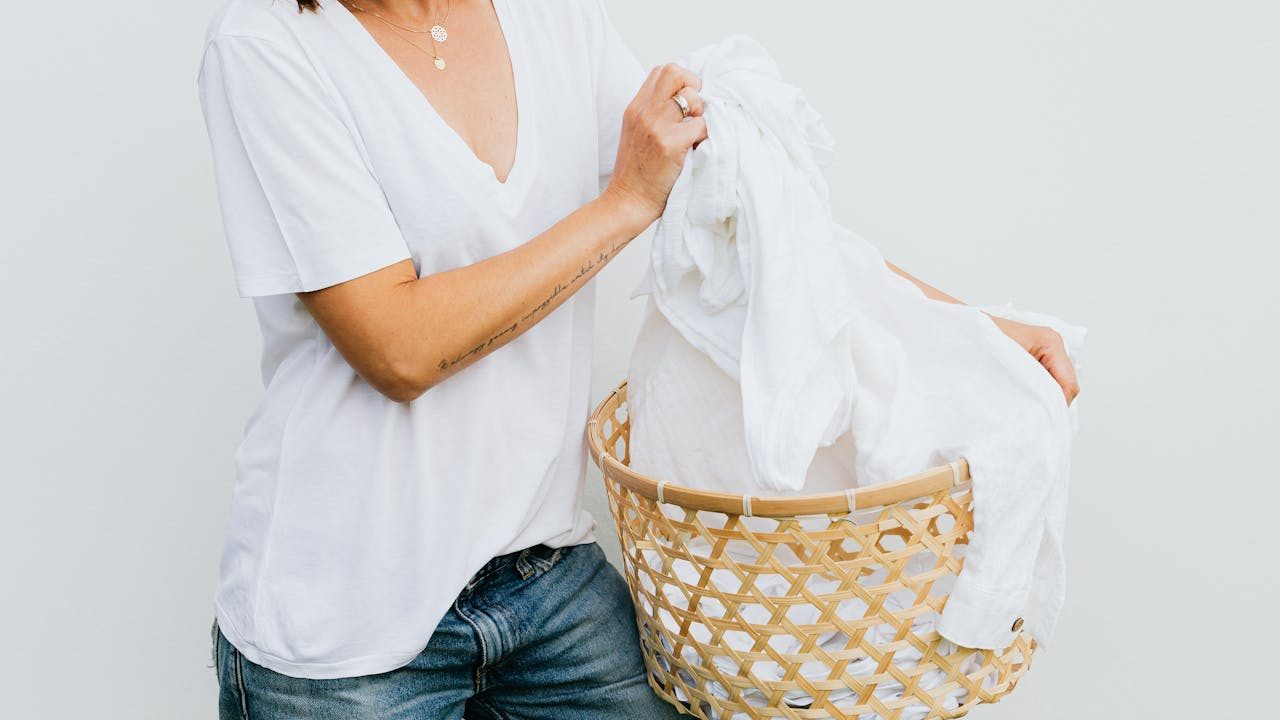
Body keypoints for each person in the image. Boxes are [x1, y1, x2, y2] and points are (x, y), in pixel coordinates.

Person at [196, 1, 1078, 718]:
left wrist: (971, 329)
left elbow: (754, 221)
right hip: (340, 626)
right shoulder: (268, 45)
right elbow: (397, 347)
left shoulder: (551, 20)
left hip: (543, 574)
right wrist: (624, 202)